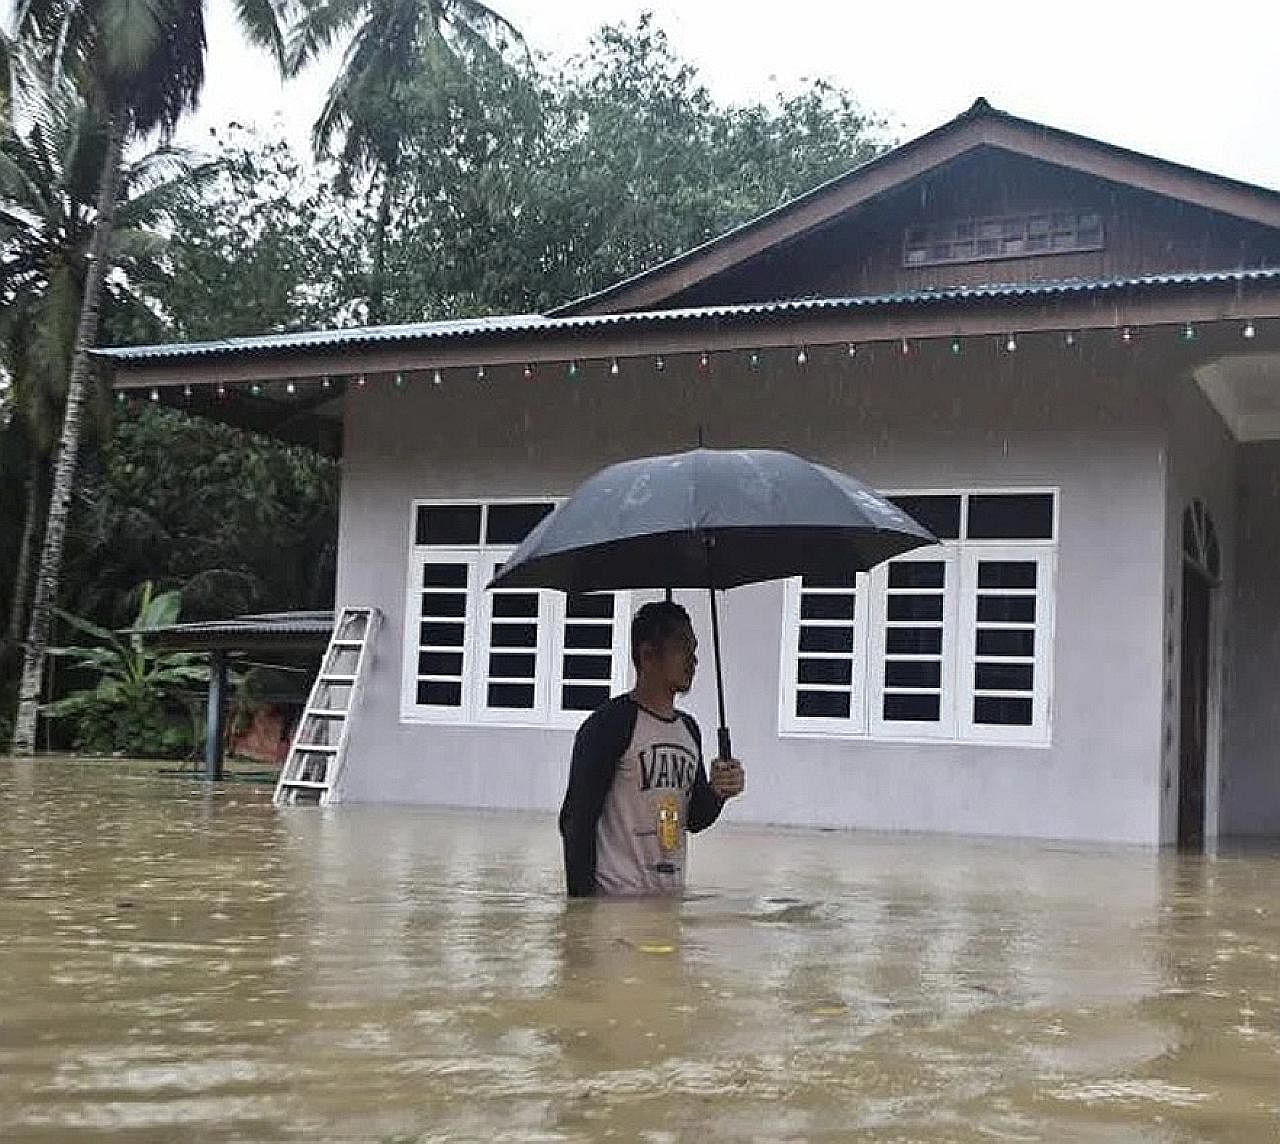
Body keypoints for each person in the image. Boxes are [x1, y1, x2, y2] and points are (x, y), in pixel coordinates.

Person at [558, 600, 746, 896]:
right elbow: (576, 820)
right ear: (647, 655)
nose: (693, 660)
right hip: (615, 904)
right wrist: (581, 916)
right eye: (682, 648)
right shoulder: (610, 725)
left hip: (667, 903)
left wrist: (718, 792)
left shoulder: (689, 730)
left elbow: (694, 819)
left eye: (694, 650)